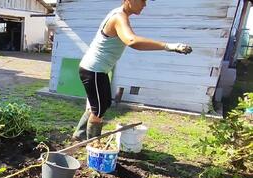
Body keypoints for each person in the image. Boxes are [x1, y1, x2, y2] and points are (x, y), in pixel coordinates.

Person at [72, 0, 192, 140]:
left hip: (98, 69)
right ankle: (93, 146)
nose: (144, 5)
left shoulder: (120, 15)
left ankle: (79, 135)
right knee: (99, 109)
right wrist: (168, 46)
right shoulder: (119, 17)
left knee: (102, 104)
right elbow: (132, 41)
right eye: (142, 0)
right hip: (93, 70)